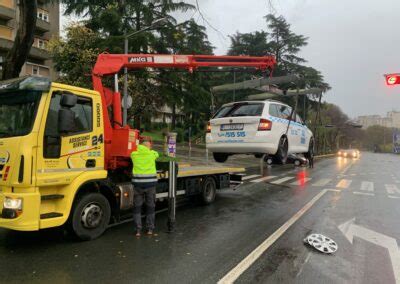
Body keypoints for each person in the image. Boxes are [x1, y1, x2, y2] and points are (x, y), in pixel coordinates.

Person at [131, 138, 159, 237]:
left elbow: (132, 152)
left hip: (138, 185)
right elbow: (157, 154)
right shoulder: (152, 154)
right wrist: (150, 149)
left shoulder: (134, 155)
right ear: (148, 147)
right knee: (150, 207)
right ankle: (150, 229)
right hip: (150, 185)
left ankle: (138, 230)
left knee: (137, 208)